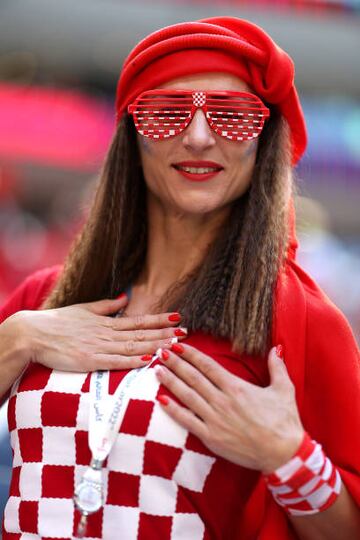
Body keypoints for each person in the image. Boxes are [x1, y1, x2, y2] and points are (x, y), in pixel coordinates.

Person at [0, 16, 359, 540]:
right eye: (166, 113)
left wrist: (289, 457)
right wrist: (18, 337)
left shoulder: (296, 315)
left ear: (263, 143)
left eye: (232, 116)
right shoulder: (44, 299)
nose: (197, 137)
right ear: (131, 136)